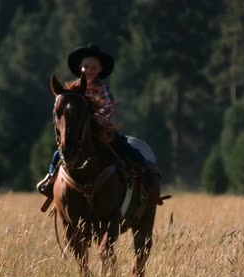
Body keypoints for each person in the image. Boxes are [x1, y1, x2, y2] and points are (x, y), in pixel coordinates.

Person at [36, 44, 159, 199]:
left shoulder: (103, 89)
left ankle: (143, 175)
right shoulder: (73, 90)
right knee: (60, 153)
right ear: (80, 67)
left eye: (93, 67)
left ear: (100, 69)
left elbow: (108, 107)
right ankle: (51, 178)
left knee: (123, 147)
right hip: (79, 132)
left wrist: (94, 120)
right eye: (86, 66)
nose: (89, 70)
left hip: (102, 130)